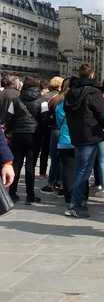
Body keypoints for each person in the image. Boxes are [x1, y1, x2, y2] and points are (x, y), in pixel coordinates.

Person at [63, 64, 104, 218]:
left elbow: (67, 113)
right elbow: (103, 114)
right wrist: (101, 126)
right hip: (90, 134)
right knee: (83, 172)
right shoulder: (93, 92)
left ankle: (78, 202)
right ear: (92, 75)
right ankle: (76, 205)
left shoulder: (70, 92)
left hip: (76, 135)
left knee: (80, 170)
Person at [6, 76, 44, 205]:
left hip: (18, 134)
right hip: (34, 136)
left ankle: (12, 193)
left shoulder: (15, 100)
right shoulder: (42, 101)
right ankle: (30, 195)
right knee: (30, 166)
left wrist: (9, 131)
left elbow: (8, 118)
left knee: (16, 164)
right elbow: (44, 120)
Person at [41, 76, 64, 195]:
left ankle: (51, 182)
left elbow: (45, 115)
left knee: (54, 157)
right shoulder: (65, 98)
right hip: (63, 130)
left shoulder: (50, 98)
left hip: (53, 129)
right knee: (62, 158)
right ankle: (60, 182)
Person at [55, 79, 76, 207]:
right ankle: (80, 197)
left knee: (67, 170)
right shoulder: (80, 102)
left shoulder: (61, 103)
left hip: (64, 139)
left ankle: (69, 198)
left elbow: (58, 120)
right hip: (79, 140)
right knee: (80, 169)